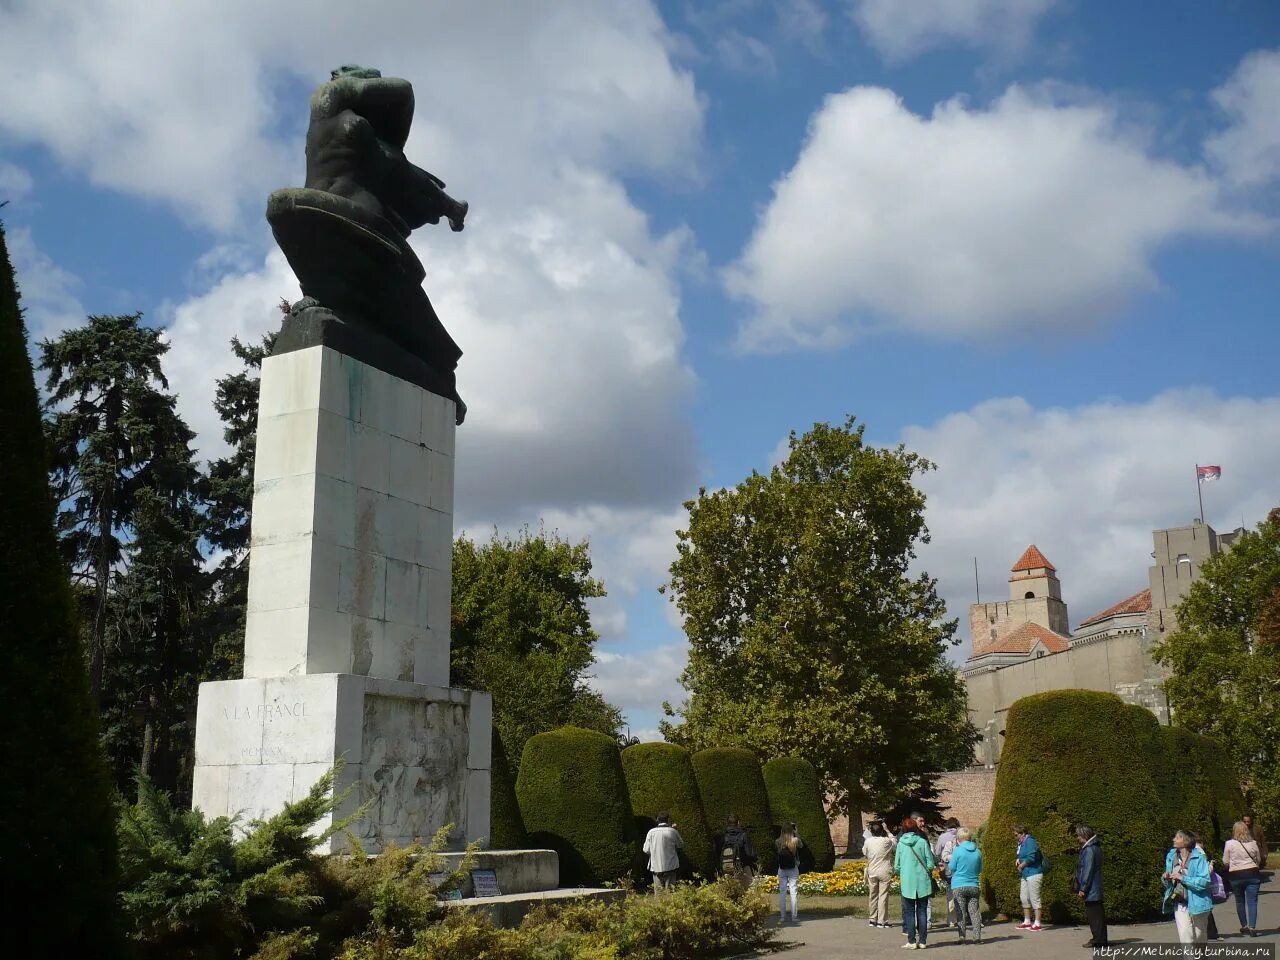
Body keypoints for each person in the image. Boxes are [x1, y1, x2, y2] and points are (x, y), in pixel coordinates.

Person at [1162, 829, 1212, 947]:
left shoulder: (1198, 857)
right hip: (1180, 901)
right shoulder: (1171, 856)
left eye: (1177, 837)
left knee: (1200, 935)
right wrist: (1166, 877)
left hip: (1198, 901)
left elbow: (1204, 881)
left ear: (1185, 841)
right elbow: (1168, 880)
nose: (1174, 839)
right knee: (1185, 936)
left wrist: (1183, 878)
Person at [895, 817, 937, 949]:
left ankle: (911, 941)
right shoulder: (922, 842)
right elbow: (930, 863)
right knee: (922, 911)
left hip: (907, 882)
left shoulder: (901, 843)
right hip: (922, 882)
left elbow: (896, 866)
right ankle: (923, 941)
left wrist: (904, 871)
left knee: (909, 912)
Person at [1223, 820, 1264, 936]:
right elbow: (1258, 859)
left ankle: (1244, 925)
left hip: (1236, 875)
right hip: (1252, 873)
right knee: (1252, 901)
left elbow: (1225, 861)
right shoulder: (1253, 843)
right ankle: (1252, 927)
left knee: (1240, 900)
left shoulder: (1229, 844)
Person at [947, 827, 983, 944]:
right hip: (973, 884)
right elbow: (979, 869)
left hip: (959, 884)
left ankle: (962, 937)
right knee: (974, 912)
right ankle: (977, 937)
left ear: (958, 839)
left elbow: (952, 867)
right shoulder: (978, 851)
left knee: (960, 912)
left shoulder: (957, 851)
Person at [1074, 825, 1107, 948]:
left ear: (1085, 836)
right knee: (1097, 916)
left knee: (1094, 917)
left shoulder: (1089, 850)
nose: (1078, 838)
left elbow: (1087, 870)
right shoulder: (1095, 848)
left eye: (1079, 835)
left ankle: (1099, 941)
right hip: (1095, 888)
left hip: (1091, 889)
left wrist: (1083, 888)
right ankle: (1100, 939)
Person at [642, 811, 684, 894]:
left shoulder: (651, 832)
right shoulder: (673, 831)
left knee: (658, 895)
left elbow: (646, 849)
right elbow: (680, 845)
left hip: (656, 867)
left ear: (657, 820)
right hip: (671, 866)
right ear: (668, 820)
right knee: (670, 893)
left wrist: (655, 852)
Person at [865, 821, 896, 929]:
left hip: (872, 870)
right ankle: (882, 920)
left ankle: (872, 918)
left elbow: (865, 852)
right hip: (884, 870)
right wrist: (887, 830)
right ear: (881, 830)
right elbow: (894, 841)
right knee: (883, 896)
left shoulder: (868, 841)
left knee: (872, 895)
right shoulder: (886, 841)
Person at [1014, 825, 1045, 931]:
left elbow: (1031, 857)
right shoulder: (1021, 843)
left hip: (1034, 873)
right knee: (1024, 897)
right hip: (1025, 874)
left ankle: (1037, 923)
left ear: (1022, 833)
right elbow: (1022, 855)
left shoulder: (1030, 841)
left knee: (1034, 898)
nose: (1015, 837)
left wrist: (1021, 865)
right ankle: (1027, 921)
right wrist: (1018, 860)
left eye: (1016, 835)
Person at [776, 821, 805, 924]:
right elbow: (801, 845)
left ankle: (782, 917)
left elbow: (778, 850)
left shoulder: (778, 841)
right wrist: (796, 832)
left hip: (782, 868)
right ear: (792, 830)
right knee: (793, 892)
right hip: (793, 868)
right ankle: (794, 916)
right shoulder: (795, 840)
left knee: (782, 893)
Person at [934, 818, 960, 927]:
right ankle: (963, 917)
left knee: (950, 893)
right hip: (962, 869)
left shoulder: (942, 837)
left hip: (949, 869)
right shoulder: (962, 835)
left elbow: (937, 852)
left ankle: (951, 919)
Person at [719, 814, 758, 882]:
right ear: (738, 822)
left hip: (727, 868)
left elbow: (719, 853)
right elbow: (749, 854)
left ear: (727, 823)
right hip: (743, 867)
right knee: (750, 889)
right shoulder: (743, 835)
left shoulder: (723, 837)